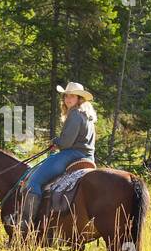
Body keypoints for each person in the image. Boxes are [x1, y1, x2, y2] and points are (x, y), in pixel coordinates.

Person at [16, 82, 97, 232]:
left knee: (34, 181)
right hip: (88, 158)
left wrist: (55, 142)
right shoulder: (87, 115)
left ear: (79, 98)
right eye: (66, 96)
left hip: (72, 155)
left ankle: (25, 224)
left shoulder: (74, 113)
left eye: (72, 96)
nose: (67, 99)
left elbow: (66, 143)